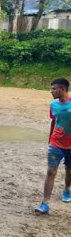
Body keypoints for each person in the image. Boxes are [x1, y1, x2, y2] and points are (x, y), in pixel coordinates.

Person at [35, 78, 71, 214]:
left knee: (69, 170)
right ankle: (45, 203)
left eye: (54, 88)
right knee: (51, 172)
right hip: (56, 143)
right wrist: (50, 139)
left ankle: (67, 189)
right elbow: (54, 121)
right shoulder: (53, 104)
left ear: (62, 89)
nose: (51, 91)